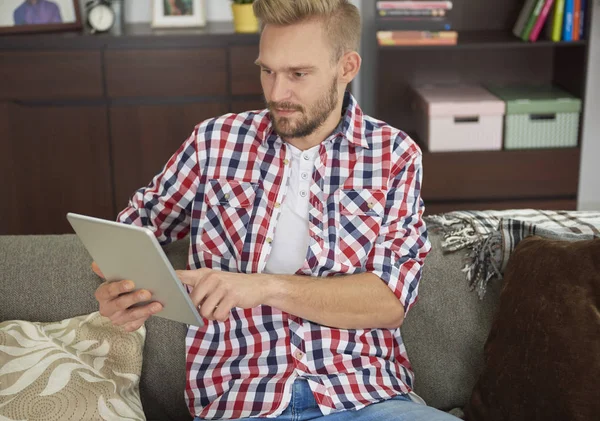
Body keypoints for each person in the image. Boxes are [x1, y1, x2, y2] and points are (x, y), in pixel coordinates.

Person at [93, 1, 457, 420]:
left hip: (365, 395)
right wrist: (119, 285)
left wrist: (263, 287)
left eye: (298, 74)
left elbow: (390, 301)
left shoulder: (393, 155)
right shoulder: (215, 142)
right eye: (267, 70)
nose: (277, 93)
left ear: (347, 67)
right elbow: (131, 230)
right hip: (244, 400)